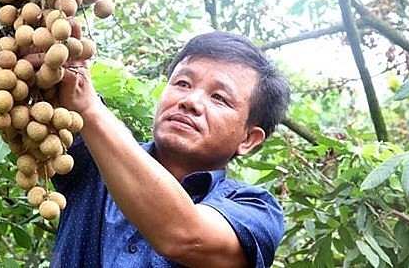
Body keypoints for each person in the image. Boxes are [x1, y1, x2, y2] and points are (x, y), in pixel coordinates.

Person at [51, 31, 290, 268]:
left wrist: (91, 109)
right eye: (183, 83)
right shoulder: (93, 153)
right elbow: (45, 88)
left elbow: (184, 237)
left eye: (219, 97)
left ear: (248, 139)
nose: (191, 101)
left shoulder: (256, 210)